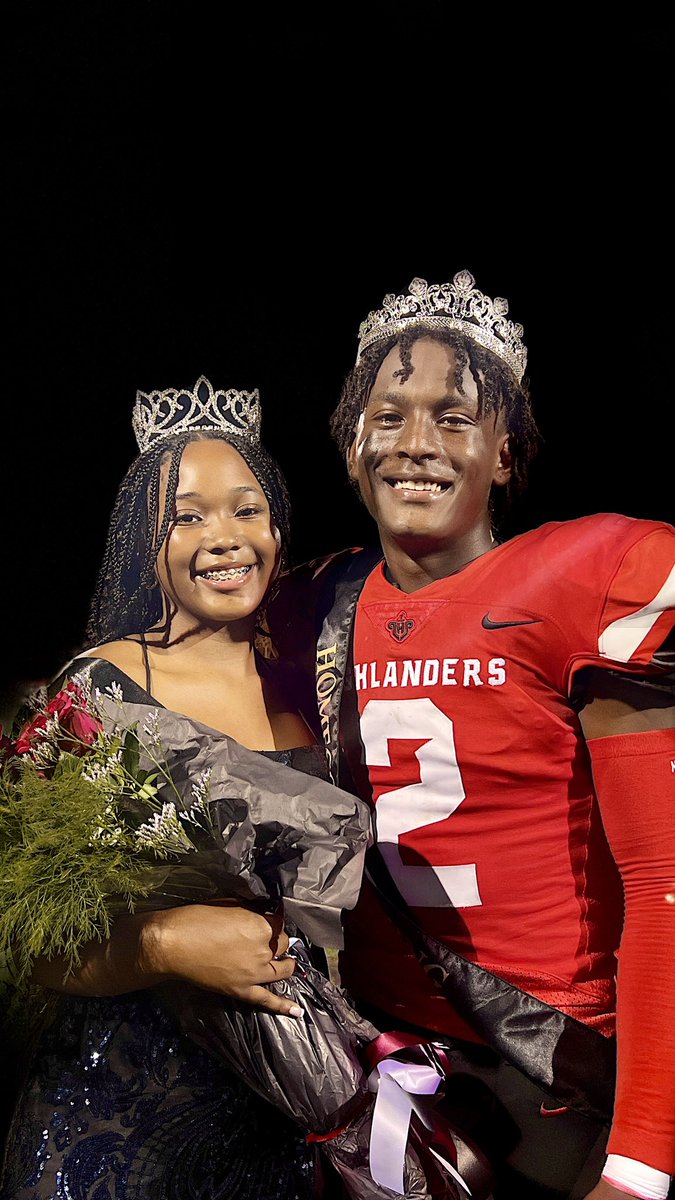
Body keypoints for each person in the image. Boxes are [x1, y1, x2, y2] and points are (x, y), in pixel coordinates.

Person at [268, 272, 675, 1200]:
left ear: (503, 452)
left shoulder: (591, 573)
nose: (416, 444)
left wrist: (643, 1162)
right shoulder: (307, 604)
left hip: (546, 1083)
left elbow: (662, 885)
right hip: (375, 1064)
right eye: (388, 414)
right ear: (348, 441)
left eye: (453, 417)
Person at [0, 377, 354, 1199]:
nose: (223, 538)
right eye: (185, 516)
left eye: (245, 509)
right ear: (143, 541)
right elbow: (20, 932)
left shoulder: (310, 689)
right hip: (115, 1128)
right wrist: (162, 943)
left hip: (282, 1123)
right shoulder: (97, 695)